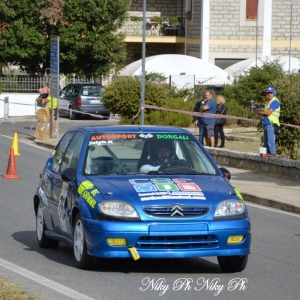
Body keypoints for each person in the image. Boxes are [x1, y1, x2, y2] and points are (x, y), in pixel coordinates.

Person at [254, 86, 280, 157]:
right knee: (266, 142)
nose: (269, 94)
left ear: (273, 93)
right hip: (266, 124)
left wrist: (258, 112)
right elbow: (266, 112)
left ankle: (272, 156)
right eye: (268, 93)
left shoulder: (275, 101)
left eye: (271, 92)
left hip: (271, 124)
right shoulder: (268, 103)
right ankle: (268, 156)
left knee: (270, 142)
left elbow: (268, 113)